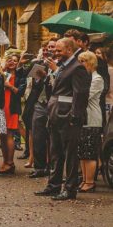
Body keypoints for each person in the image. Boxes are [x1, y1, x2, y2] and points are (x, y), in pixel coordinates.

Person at [35, 38, 91, 201]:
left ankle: (70, 189)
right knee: (55, 153)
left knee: (70, 154)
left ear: (69, 50)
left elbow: (80, 95)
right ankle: (53, 186)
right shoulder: (62, 67)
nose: (55, 53)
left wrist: (74, 117)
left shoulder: (78, 68)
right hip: (55, 115)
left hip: (68, 118)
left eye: (59, 50)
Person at [28, 38, 57, 178]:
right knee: (37, 135)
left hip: (53, 103)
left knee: (52, 138)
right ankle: (39, 167)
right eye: (49, 47)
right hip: (40, 102)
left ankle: (52, 167)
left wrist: (49, 75)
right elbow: (35, 84)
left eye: (53, 47)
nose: (50, 49)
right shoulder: (40, 63)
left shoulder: (61, 65)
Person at [77, 51, 104, 193]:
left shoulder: (97, 78)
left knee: (90, 151)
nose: (81, 64)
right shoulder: (84, 78)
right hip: (82, 118)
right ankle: (84, 179)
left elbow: (85, 96)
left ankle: (90, 181)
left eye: (83, 61)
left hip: (92, 118)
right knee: (82, 152)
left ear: (91, 62)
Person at [0, 54, 27, 174]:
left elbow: (20, 92)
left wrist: (9, 86)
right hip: (1, 106)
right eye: (10, 60)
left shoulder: (21, 76)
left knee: (9, 134)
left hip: (11, 107)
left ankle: (10, 163)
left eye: (15, 61)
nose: (12, 62)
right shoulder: (2, 74)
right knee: (2, 135)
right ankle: (5, 161)